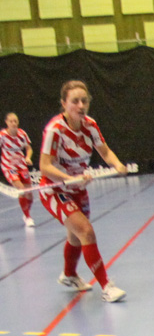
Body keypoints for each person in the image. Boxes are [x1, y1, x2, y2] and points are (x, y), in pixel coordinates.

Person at [39, 80, 128, 303]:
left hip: (77, 189)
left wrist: (117, 164)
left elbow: (105, 152)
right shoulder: (55, 130)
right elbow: (45, 166)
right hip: (54, 190)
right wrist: (69, 179)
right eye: (75, 101)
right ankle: (106, 286)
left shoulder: (90, 125)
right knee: (86, 232)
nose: (80, 106)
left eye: (84, 101)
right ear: (64, 104)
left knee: (76, 237)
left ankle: (69, 275)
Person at [1, 112, 36, 227]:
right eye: (11, 121)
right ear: (6, 122)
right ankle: (28, 217)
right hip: (9, 166)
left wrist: (28, 157)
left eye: (15, 121)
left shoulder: (22, 134)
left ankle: (26, 213)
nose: (13, 123)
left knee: (29, 194)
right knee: (22, 190)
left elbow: (29, 148)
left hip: (21, 166)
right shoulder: (2, 135)